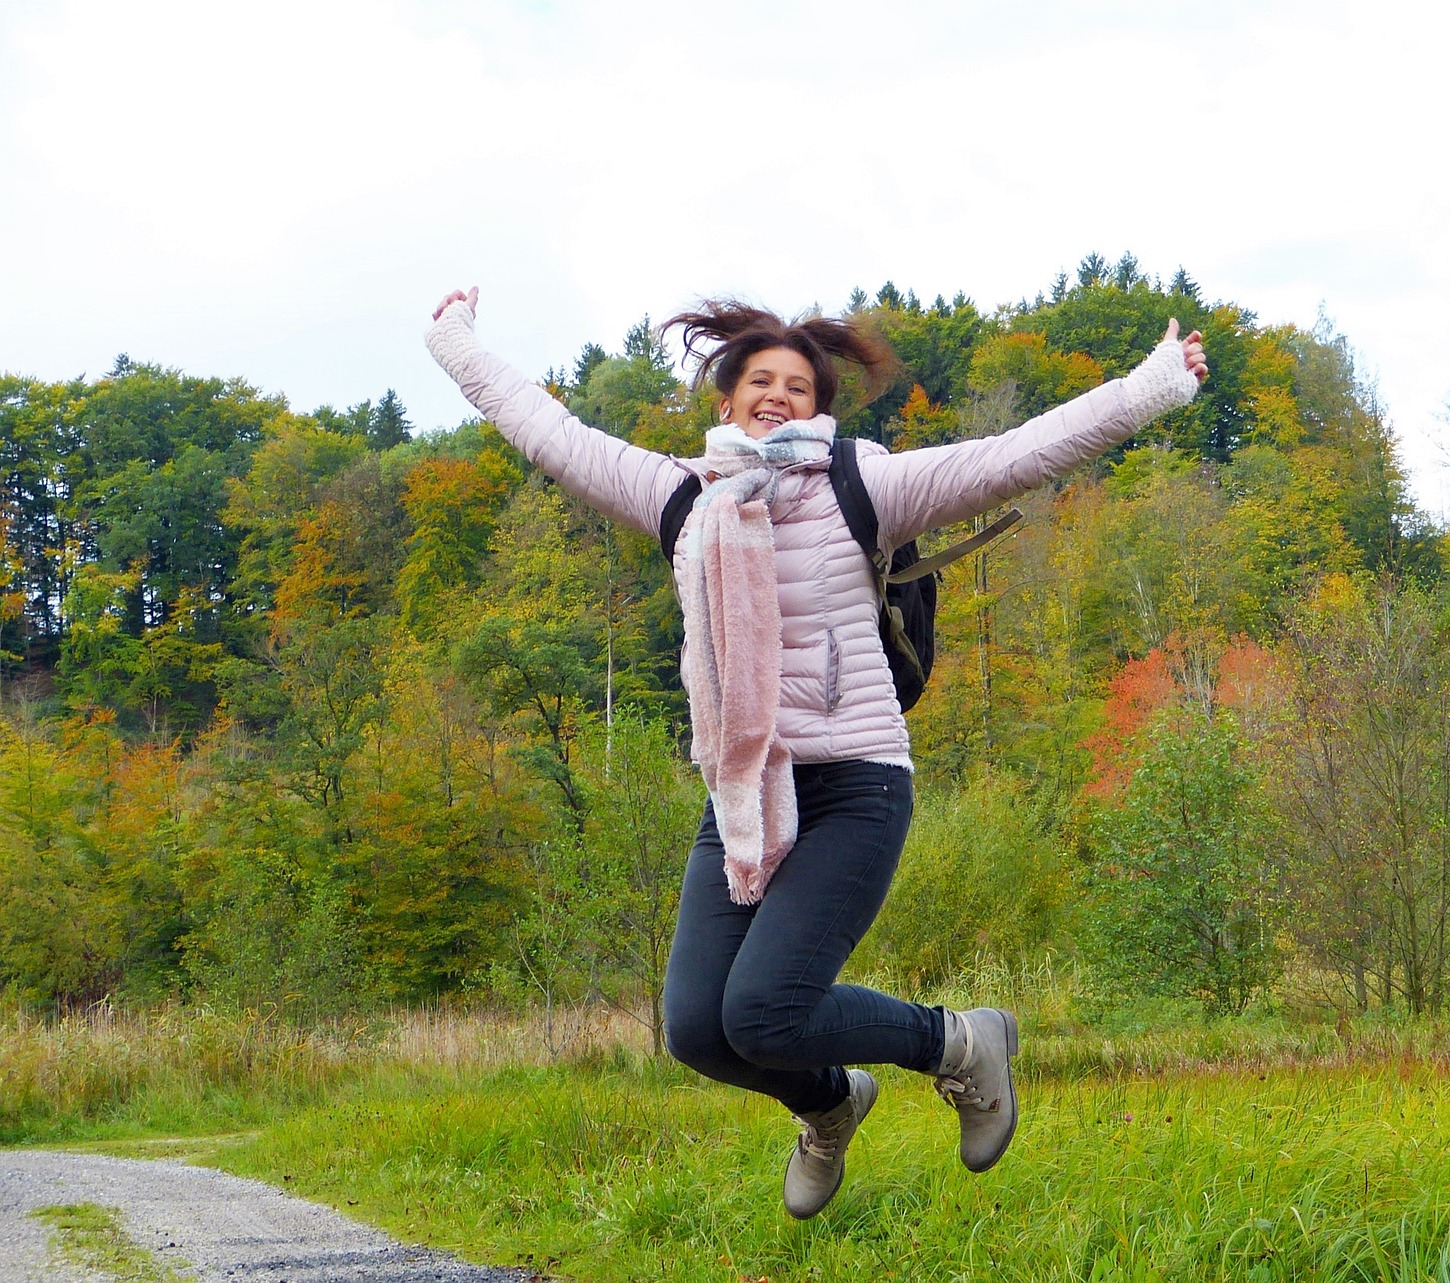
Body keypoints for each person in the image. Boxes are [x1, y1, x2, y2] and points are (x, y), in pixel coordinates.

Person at [425, 287, 1207, 1218]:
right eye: (760, 380)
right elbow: (551, 433)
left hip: (855, 784)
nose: (778, 396)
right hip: (747, 792)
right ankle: (831, 1103)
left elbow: (1015, 456)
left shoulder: (861, 483)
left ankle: (960, 1042)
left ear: (820, 406)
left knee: (763, 1011)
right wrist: (457, 346)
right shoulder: (682, 496)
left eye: (799, 386)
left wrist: (1149, 387)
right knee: (697, 1030)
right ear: (726, 402)